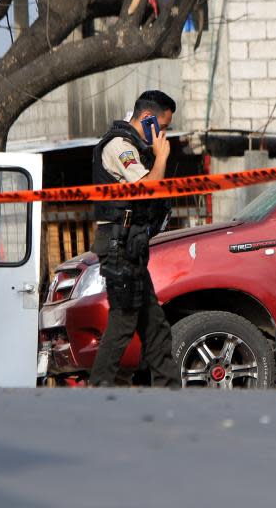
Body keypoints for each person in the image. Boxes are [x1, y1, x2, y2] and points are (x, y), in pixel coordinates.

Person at [88, 90, 181, 388]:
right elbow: (147, 188)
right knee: (124, 320)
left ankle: (170, 390)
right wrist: (162, 157)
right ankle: (98, 388)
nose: (163, 134)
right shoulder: (119, 146)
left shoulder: (135, 147)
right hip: (118, 244)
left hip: (132, 245)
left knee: (154, 325)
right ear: (147, 118)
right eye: (162, 126)